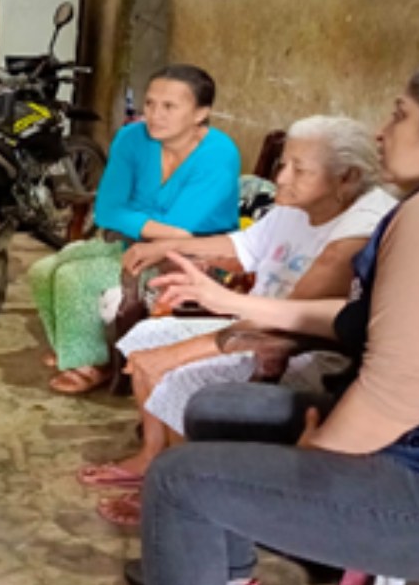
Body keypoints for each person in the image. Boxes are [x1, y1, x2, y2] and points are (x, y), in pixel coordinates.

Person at [135, 54, 419, 585]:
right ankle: (230, 584)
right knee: (216, 408)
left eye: (400, 114)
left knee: (179, 482)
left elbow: (404, 390)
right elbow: (372, 320)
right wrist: (231, 302)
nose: (383, 131)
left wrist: (321, 455)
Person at [79, 116, 398, 524]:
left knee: (178, 376)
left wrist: (176, 353)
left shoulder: (359, 228)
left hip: (303, 349)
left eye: (299, 169)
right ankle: (152, 458)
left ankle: (183, 493)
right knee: (146, 339)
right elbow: (240, 246)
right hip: (252, 324)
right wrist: (166, 247)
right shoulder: (298, 206)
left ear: (347, 178)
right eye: (283, 164)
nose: (281, 178)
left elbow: (289, 322)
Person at [31, 64, 240, 394]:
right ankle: (72, 348)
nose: (155, 115)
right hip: (131, 242)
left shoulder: (219, 153)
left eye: (169, 106)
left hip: (195, 258)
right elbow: (107, 209)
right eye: (150, 104)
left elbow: (182, 232)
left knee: (76, 277)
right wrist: (157, 227)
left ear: (201, 113)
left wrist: (137, 219)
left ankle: (91, 363)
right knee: (42, 270)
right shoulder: (132, 139)